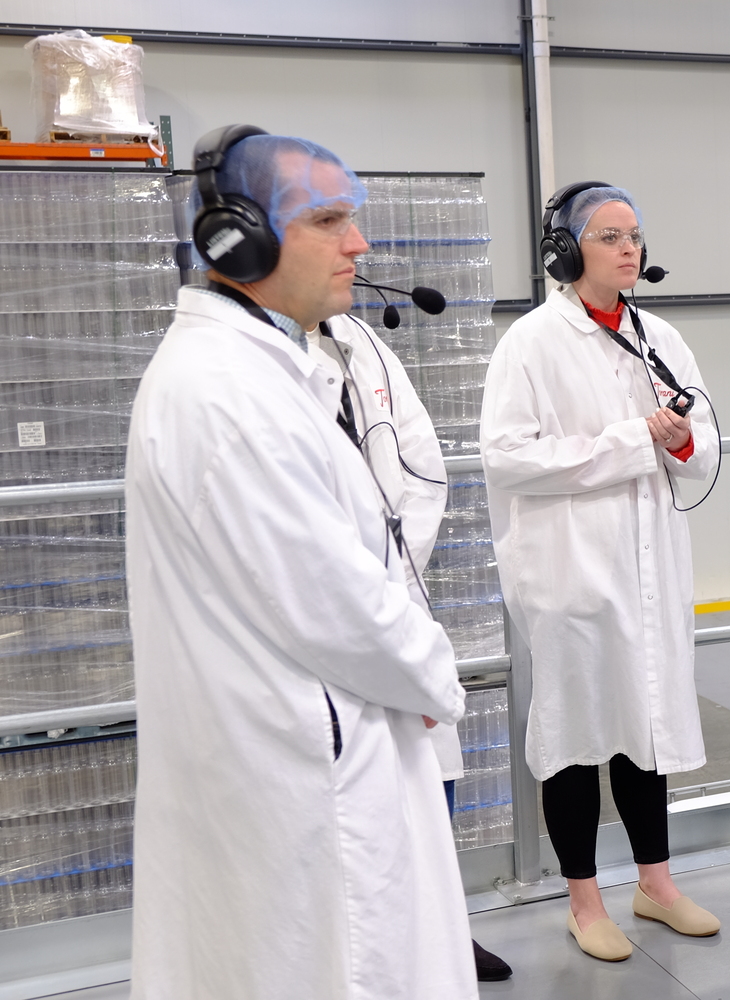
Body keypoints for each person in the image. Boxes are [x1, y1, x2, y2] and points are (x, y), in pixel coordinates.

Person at [124, 126, 474, 999]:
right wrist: (434, 675)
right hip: (309, 770)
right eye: (327, 220)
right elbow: (335, 602)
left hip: (311, 746)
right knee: (341, 966)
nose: (358, 244)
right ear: (239, 239)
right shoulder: (229, 392)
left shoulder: (270, 369)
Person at [480, 182, 721, 962]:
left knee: (643, 725)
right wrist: (630, 440)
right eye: (610, 235)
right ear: (566, 251)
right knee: (579, 733)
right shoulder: (532, 342)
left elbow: (704, 442)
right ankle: (583, 901)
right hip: (570, 573)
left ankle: (656, 883)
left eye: (635, 236)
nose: (629, 249)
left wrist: (681, 440)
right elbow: (508, 457)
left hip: (648, 565)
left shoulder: (659, 338)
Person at [304, 282, 513, 983]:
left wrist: (391, 567)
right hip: (331, 620)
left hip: (393, 589)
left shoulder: (361, 343)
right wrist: (367, 578)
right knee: (356, 797)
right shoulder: (253, 372)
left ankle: (445, 925)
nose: (356, 249)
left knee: (433, 762)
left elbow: (424, 467)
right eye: (331, 222)